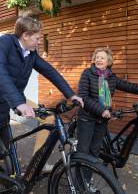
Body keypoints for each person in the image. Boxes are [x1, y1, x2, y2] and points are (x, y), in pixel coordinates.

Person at [0, 16, 83, 148]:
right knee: (5, 151)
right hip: (9, 99)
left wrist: (71, 95)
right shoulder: (4, 43)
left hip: (15, 98)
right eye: (37, 38)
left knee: (49, 119)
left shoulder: (31, 53)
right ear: (26, 35)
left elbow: (51, 72)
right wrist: (19, 103)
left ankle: (38, 162)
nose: (39, 42)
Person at [77, 47, 138, 159]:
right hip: (87, 118)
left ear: (108, 61)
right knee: (83, 151)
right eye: (97, 57)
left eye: (102, 58)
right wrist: (101, 110)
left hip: (102, 119)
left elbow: (131, 87)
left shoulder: (111, 77)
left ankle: (87, 176)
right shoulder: (87, 73)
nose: (99, 60)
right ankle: (78, 176)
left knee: (94, 150)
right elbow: (83, 97)